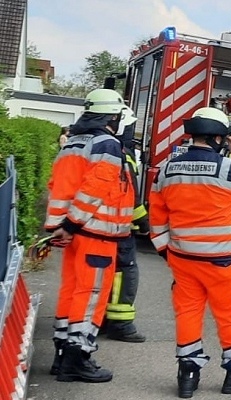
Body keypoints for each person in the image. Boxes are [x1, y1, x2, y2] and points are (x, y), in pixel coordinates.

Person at [148, 107, 231, 398]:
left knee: (188, 314)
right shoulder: (229, 168)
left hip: (183, 260)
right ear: (219, 138)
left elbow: (157, 216)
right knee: (230, 316)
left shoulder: (167, 168)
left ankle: (187, 376)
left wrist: (167, 251)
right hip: (223, 262)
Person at [45, 88, 135, 383]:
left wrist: (60, 227)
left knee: (71, 291)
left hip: (73, 232)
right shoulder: (107, 144)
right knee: (91, 295)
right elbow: (94, 190)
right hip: (95, 232)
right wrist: (72, 224)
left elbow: (55, 183)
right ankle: (77, 359)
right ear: (112, 115)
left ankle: (62, 355)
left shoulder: (72, 142)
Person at [101, 106, 149, 343]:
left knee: (102, 273)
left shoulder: (93, 145)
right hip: (118, 225)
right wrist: (143, 221)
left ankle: (98, 319)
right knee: (125, 270)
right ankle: (120, 324)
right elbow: (131, 194)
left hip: (95, 224)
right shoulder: (122, 153)